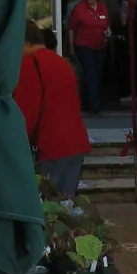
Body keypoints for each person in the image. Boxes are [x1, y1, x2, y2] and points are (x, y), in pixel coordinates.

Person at [14, 19, 90, 199]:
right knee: (65, 208)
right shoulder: (61, 62)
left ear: (24, 42)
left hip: (51, 147)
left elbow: (26, 113)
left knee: (49, 210)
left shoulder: (29, 64)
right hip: (75, 144)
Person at [68, 0, 110, 114]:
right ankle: (94, 105)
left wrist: (108, 31)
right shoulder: (79, 8)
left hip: (100, 45)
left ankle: (86, 101)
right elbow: (71, 28)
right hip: (83, 45)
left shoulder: (102, 7)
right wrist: (71, 46)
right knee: (90, 72)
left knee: (95, 74)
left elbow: (106, 24)